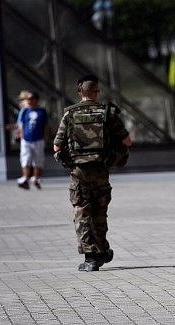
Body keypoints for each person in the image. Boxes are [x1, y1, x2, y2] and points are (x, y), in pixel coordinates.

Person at [53, 74, 132, 272]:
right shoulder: (107, 113)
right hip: (101, 170)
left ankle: (91, 256)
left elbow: (56, 146)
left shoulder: (69, 114)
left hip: (79, 172)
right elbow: (127, 142)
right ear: (96, 91)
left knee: (82, 212)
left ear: (80, 92)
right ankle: (102, 250)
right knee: (99, 213)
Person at [17, 91, 49, 189]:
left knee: (38, 160)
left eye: (30, 99)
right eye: (27, 99)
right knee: (25, 159)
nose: (28, 101)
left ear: (36, 100)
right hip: (26, 140)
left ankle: (36, 178)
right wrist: (21, 135)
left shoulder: (42, 111)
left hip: (38, 139)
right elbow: (21, 125)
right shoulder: (25, 111)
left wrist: (45, 138)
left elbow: (46, 126)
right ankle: (26, 178)